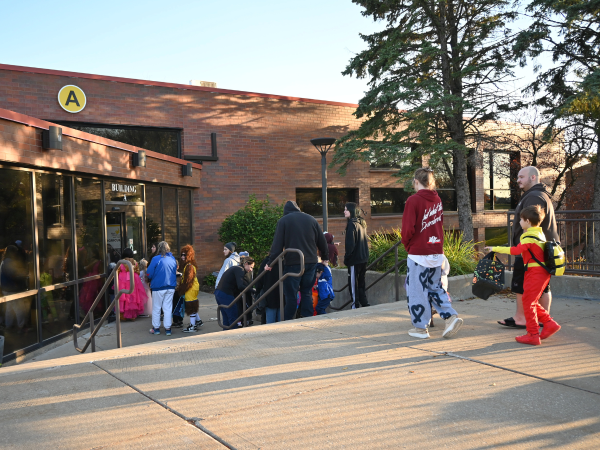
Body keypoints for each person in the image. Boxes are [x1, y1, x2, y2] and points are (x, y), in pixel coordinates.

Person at [401, 167, 463, 339]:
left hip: (418, 253)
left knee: (417, 290)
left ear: (416, 181)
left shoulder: (413, 201)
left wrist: (408, 245)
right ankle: (450, 316)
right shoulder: (437, 199)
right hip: (436, 251)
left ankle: (421, 328)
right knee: (435, 287)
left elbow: (407, 229)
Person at [486, 205, 561, 345]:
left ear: (527, 221)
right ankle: (549, 324)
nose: (519, 222)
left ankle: (532, 334)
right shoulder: (540, 233)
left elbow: (516, 251)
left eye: (520, 219)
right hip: (541, 273)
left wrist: (494, 248)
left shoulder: (528, 236)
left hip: (535, 273)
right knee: (530, 301)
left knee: (528, 302)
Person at [498, 166, 559, 329]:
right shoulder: (540, 195)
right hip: (540, 251)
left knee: (522, 285)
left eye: (521, 177)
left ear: (533, 177)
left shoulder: (534, 197)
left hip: (530, 251)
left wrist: (522, 245)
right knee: (543, 287)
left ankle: (522, 318)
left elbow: (531, 224)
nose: (518, 180)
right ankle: (542, 318)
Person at [264, 201, 329, 320]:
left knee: (291, 295)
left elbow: (277, 244)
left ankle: (289, 320)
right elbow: (322, 241)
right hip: (310, 261)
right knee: (306, 292)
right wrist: (325, 257)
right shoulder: (311, 219)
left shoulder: (284, 221)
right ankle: (307, 318)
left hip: (293, 262)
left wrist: (270, 262)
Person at [215, 256, 255, 329]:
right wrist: (253, 290)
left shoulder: (236, 268)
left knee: (226, 318)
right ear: (246, 263)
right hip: (226, 294)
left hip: (219, 293)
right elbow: (240, 286)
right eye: (251, 267)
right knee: (233, 317)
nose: (251, 270)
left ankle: (226, 335)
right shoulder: (240, 270)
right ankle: (234, 336)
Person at [146, 241, 177, 336]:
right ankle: (168, 328)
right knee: (168, 308)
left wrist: (149, 278)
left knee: (156, 308)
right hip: (170, 286)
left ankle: (156, 328)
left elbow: (149, 272)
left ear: (159, 248)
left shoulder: (156, 259)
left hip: (158, 287)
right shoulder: (172, 259)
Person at [344, 203, 370, 309]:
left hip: (355, 259)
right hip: (363, 257)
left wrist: (347, 258)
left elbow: (350, 244)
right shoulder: (362, 223)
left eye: (346, 210)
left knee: (353, 283)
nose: (344, 211)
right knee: (361, 282)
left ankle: (355, 304)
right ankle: (364, 302)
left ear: (351, 211)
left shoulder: (352, 224)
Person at [117, 248, 148, 320]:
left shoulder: (121, 262)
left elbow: (117, 271)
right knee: (133, 297)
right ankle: (132, 315)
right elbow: (138, 271)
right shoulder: (135, 262)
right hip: (134, 280)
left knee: (123, 297)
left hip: (123, 280)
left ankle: (123, 316)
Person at [178, 245, 202, 333]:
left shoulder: (189, 266)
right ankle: (198, 321)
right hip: (193, 287)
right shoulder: (190, 265)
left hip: (190, 288)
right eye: (182, 255)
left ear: (189, 255)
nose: (182, 257)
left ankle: (192, 326)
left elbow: (188, 280)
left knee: (191, 306)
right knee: (193, 305)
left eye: (184, 255)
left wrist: (182, 289)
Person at [255, 256, 281, 324]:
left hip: (270, 295)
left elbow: (259, 280)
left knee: (270, 322)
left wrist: (257, 292)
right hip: (282, 295)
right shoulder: (286, 260)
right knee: (282, 322)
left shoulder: (267, 261)